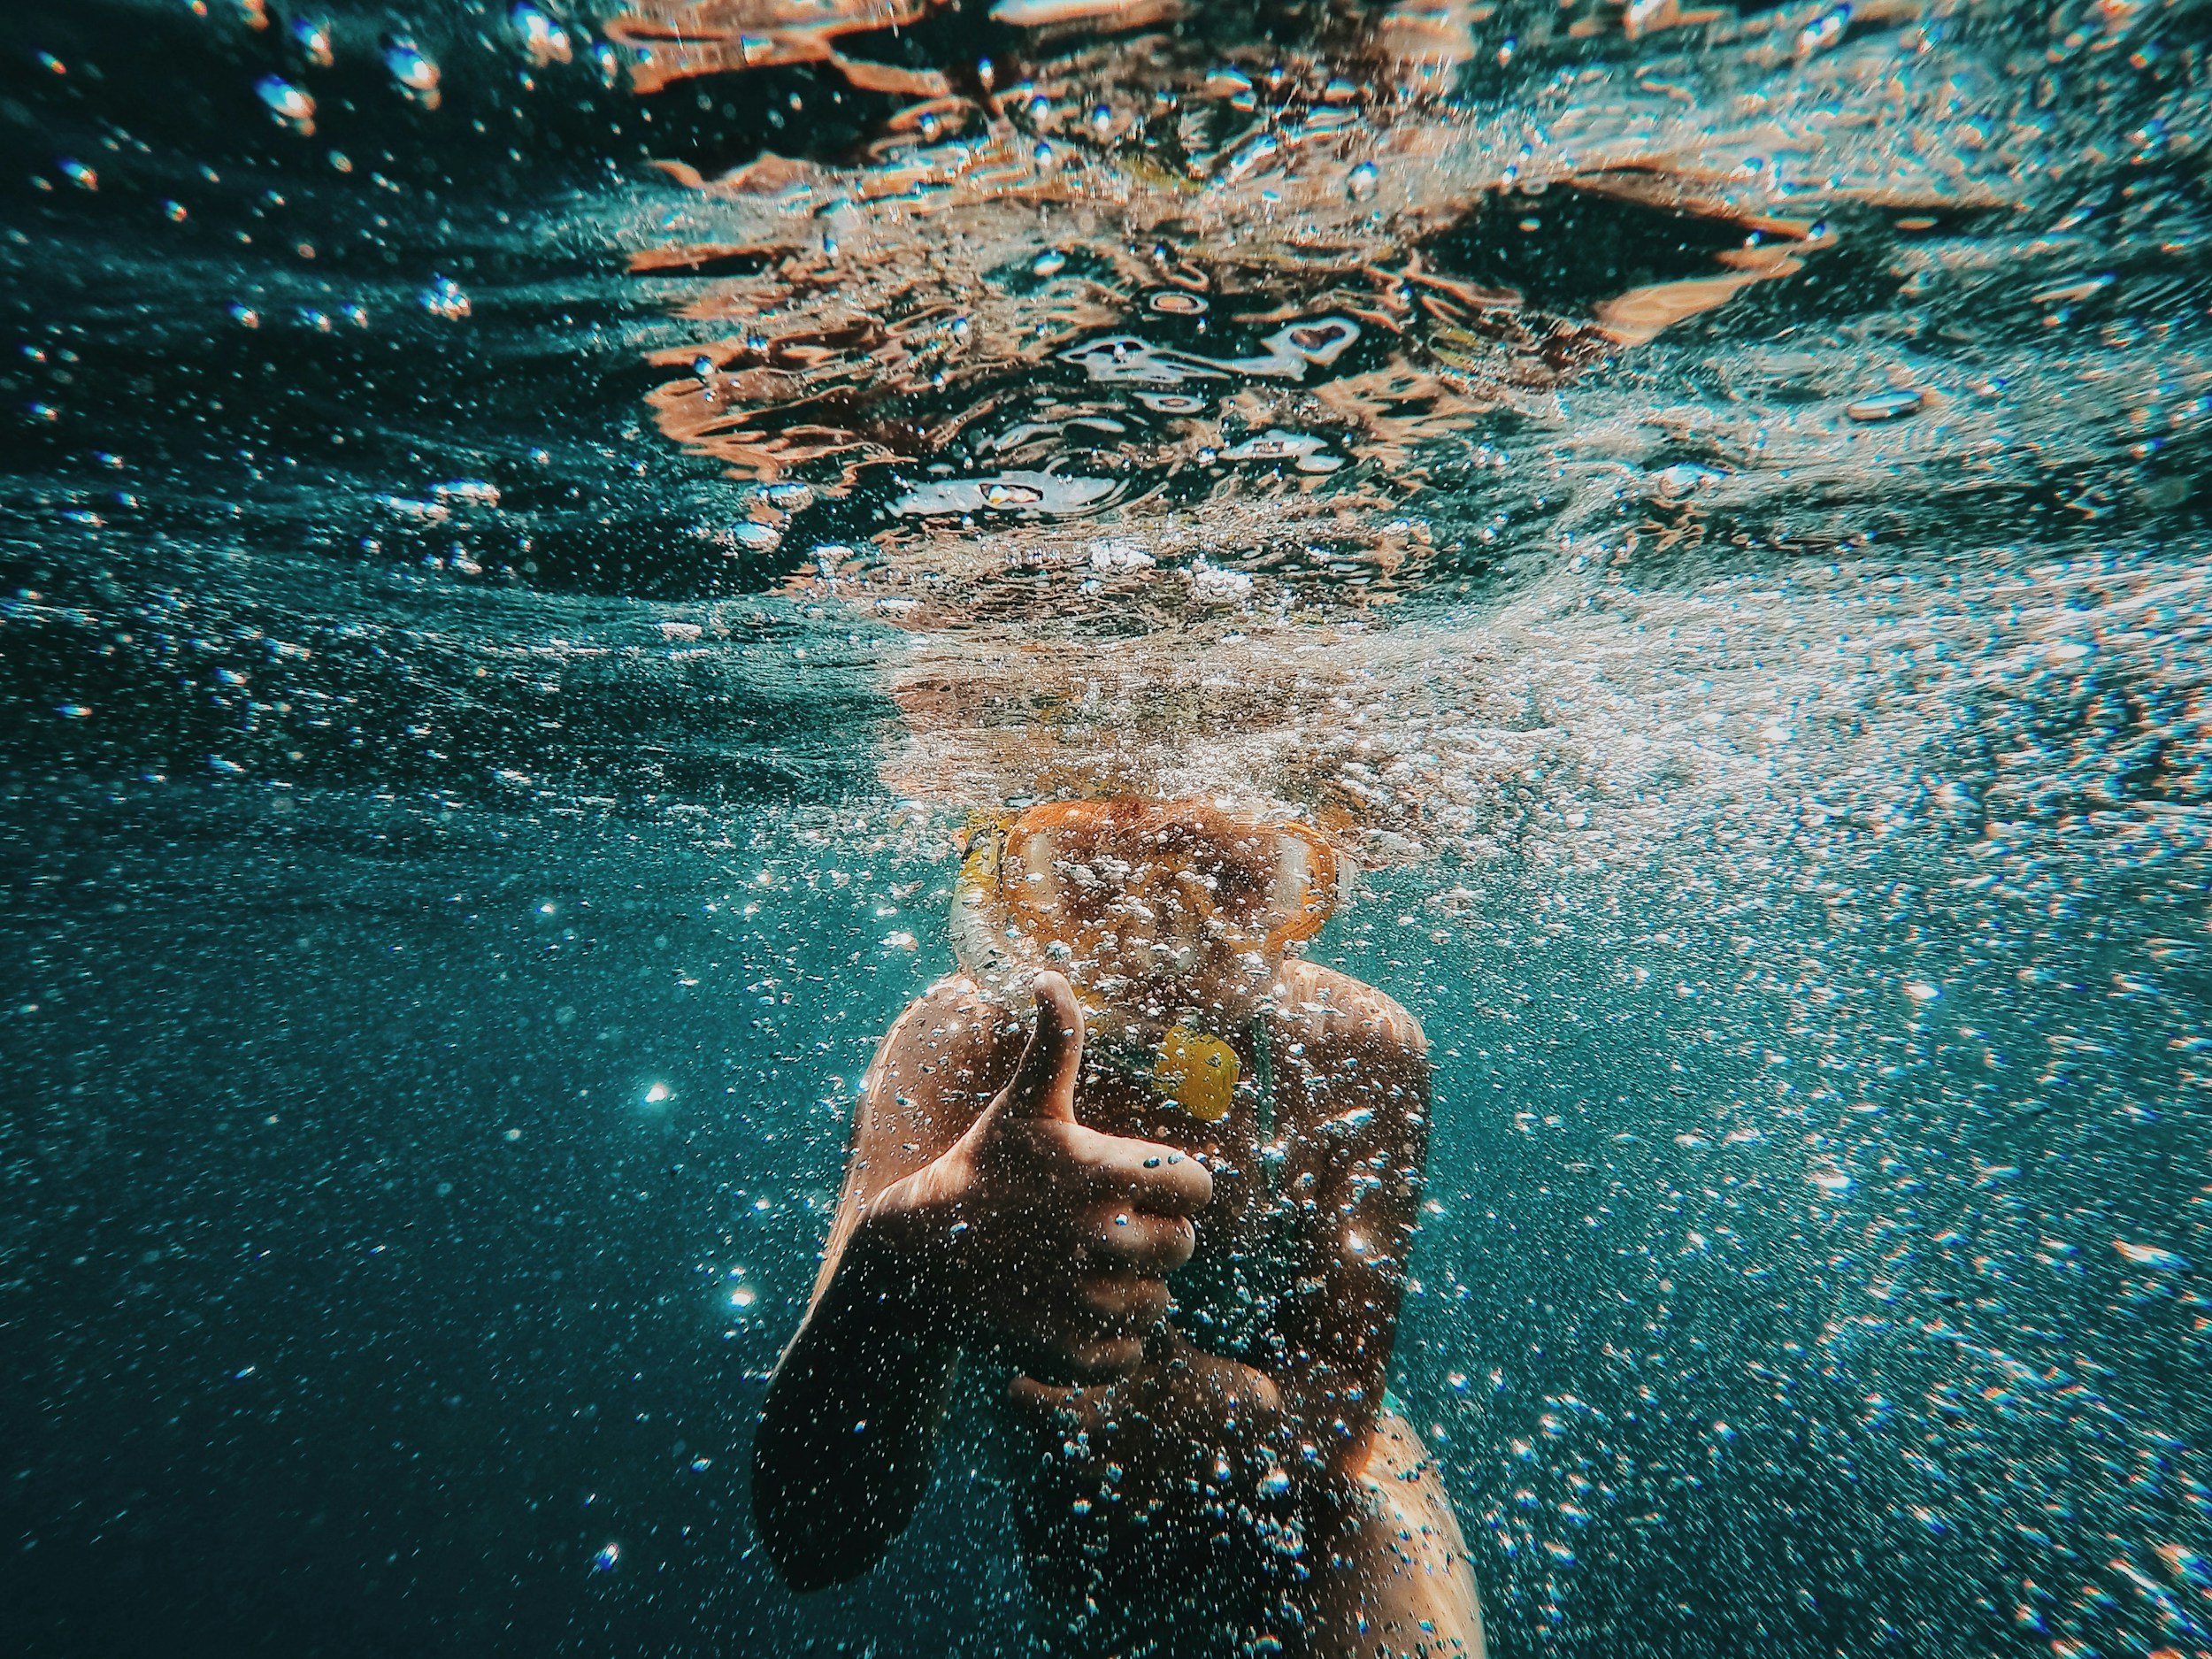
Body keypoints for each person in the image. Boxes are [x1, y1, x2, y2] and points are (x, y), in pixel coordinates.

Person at [752, 797, 1483, 1658]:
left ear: (1304, 891)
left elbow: (1343, 1394)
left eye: (1231, 880)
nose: (1164, 936)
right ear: (1004, 885)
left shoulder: (1354, 1044)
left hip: (1332, 1495)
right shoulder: (957, 1043)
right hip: (1085, 1526)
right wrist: (900, 1266)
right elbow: (814, 1541)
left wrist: (1218, 1406)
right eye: (1092, 880)